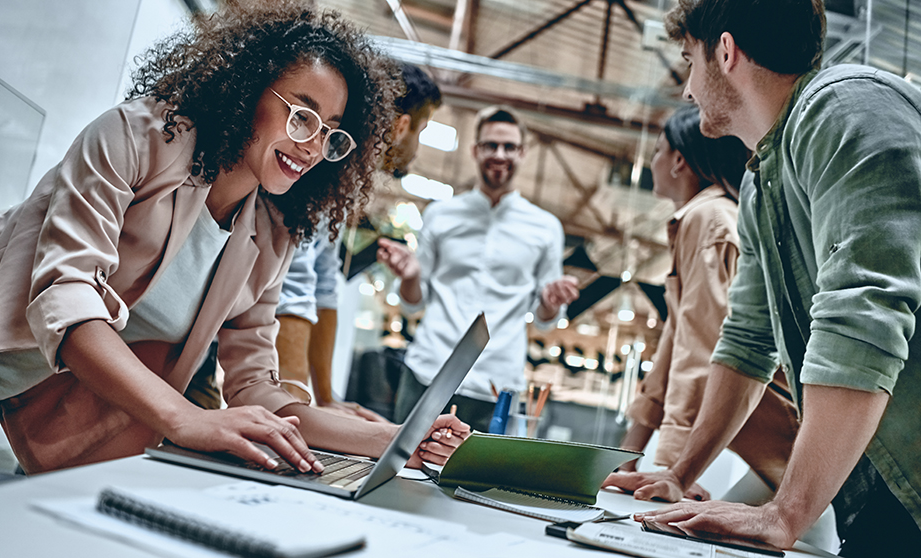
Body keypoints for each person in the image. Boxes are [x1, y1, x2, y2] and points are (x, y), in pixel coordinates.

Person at [0, 0, 467, 492]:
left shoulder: (271, 233)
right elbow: (67, 301)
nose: (312, 146)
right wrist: (187, 419)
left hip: (33, 389)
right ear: (247, 89)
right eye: (302, 115)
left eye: (331, 132)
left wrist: (398, 440)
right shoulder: (135, 137)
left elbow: (256, 389)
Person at [608, 0, 921, 554]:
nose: (687, 90)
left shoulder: (848, 107)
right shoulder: (760, 182)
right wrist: (681, 472)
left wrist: (786, 512)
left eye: (689, 61)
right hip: (880, 483)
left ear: (724, 52)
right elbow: (748, 339)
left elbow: (863, 316)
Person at [609, 105, 798, 502]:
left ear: (679, 160)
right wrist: (624, 459)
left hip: (786, 441)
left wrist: (674, 470)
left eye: (658, 150)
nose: (653, 161)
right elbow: (672, 350)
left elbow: (702, 348)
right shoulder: (701, 219)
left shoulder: (708, 220)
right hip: (772, 449)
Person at [377, 105, 580, 432]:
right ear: (475, 150)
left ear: (523, 153)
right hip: (429, 372)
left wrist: (551, 302)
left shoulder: (546, 228)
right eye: (490, 145)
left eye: (509, 146)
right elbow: (413, 301)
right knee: (402, 471)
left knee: (477, 482)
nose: (499, 154)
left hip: (497, 384)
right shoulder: (441, 215)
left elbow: (545, 321)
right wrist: (411, 276)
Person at [272, 63, 443, 421]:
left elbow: (323, 283)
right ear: (401, 127)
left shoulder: (347, 180)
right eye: (422, 131)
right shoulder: (325, 164)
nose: (416, 147)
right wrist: (297, 410)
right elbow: (297, 283)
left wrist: (325, 399)